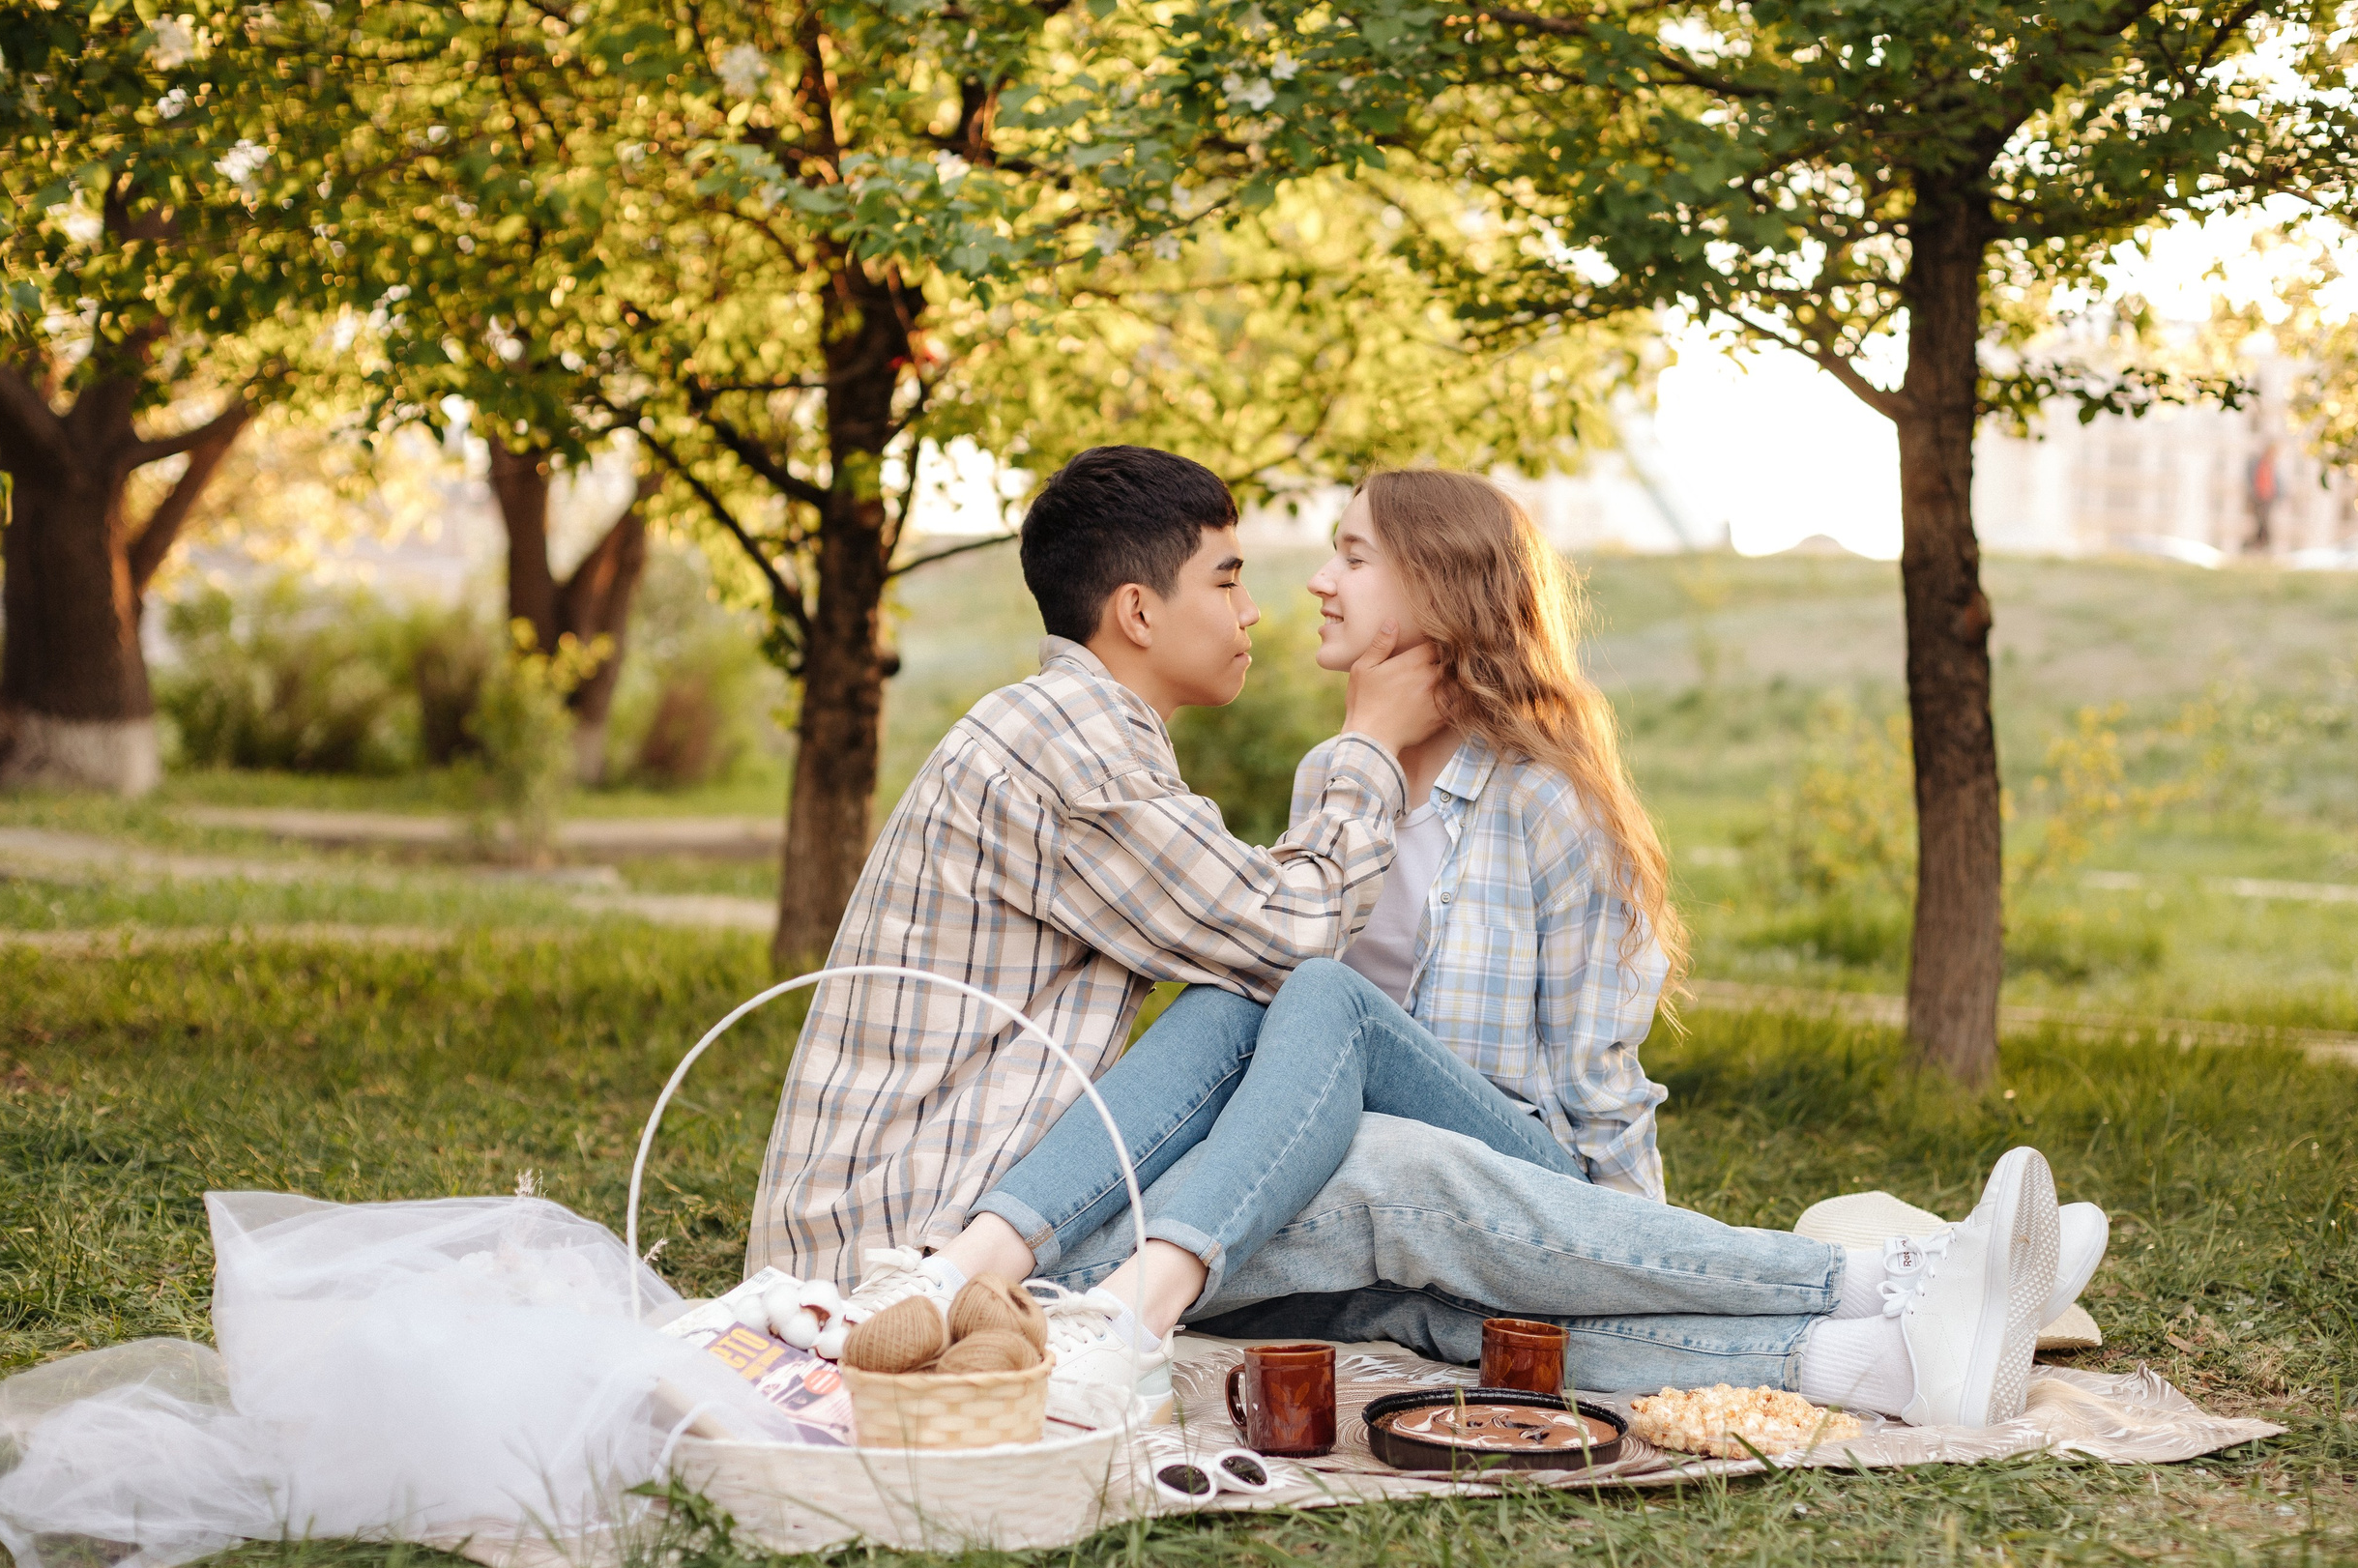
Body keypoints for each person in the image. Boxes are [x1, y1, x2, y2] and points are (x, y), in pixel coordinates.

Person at [806, 466, 2105, 1431]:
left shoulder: (1543, 802)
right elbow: (1263, 998)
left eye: (1352, 556)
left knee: (1325, 1015)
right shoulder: (1338, 776)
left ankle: (1894, 1273)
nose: (1312, 584)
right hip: (1346, 1148)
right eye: (1279, 565)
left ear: (1435, 591)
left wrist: (1622, 1247)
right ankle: (1877, 1352)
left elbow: (1598, 1074)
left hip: (1521, 1153)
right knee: (1388, 1231)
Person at [746, 445, 1448, 1294]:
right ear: (1139, 613)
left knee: (1303, 1180)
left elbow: (1243, 919)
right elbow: (1287, 938)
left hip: (918, 1205)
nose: (1253, 611)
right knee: (1354, 1209)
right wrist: (1371, 743)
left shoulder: (1062, 724)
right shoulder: (1075, 751)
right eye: (1227, 581)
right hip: (906, 1234)